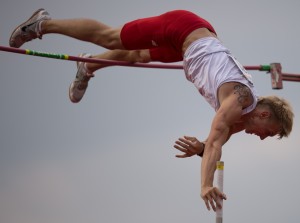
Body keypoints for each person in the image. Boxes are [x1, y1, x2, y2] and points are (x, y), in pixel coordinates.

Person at [9, 8, 294, 211]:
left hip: (187, 46)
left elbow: (212, 144)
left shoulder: (242, 120)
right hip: (183, 28)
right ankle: (43, 24)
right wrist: (205, 186)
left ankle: (89, 65)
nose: (262, 138)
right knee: (111, 38)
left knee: (136, 55)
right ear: (265, 114)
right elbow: (217, 141)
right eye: (269, 133)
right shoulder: (240, 99)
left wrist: (199, 148)